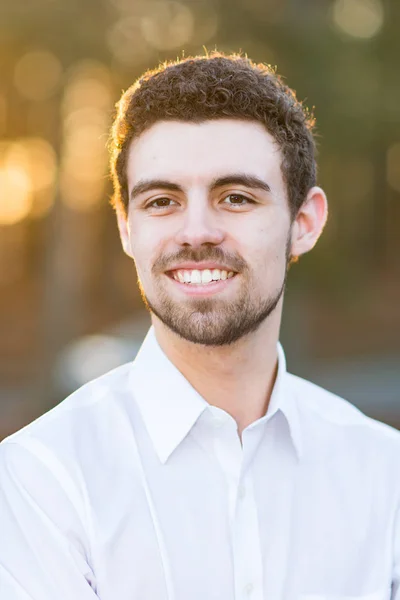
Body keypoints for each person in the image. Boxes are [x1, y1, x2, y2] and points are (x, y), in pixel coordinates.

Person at [1, 53, 399, 600]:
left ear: (303, 223)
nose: (196, 231)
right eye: (162, 201)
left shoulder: (385, 473)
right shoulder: (40, 479)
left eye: (236, 197)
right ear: (126, 228)